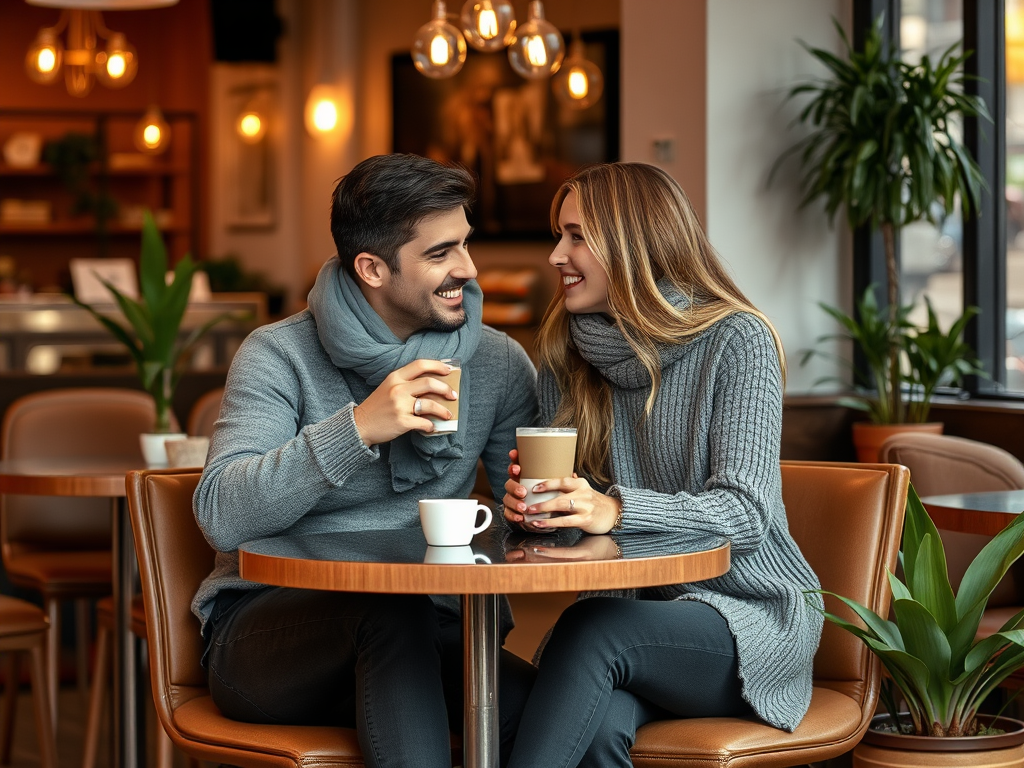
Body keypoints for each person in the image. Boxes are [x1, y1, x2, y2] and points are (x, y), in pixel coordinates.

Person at [192, 153, 538, 768]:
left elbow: (524, 517)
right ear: (372, 267)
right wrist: (358, 428)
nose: (469, 268)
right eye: (440, 253)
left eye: (465, 244)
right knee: (389, 615)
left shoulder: (497, 361)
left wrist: (544, 508)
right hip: (269, 636)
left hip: (432, 631)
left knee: (556, 712)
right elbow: (222, 512)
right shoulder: (278, 355)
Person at [501, 162, 823, 767]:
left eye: (575, 236)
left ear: (633, 244)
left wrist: (613, 508)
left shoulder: (737, 341)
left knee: (591, 631)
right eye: (558, 234)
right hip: (636, 621)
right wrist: (541, 514)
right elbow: (588, 533)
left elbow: (746, 514)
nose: (554, 255)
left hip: (748, 617)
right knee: (595, 730)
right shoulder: (564, 353)